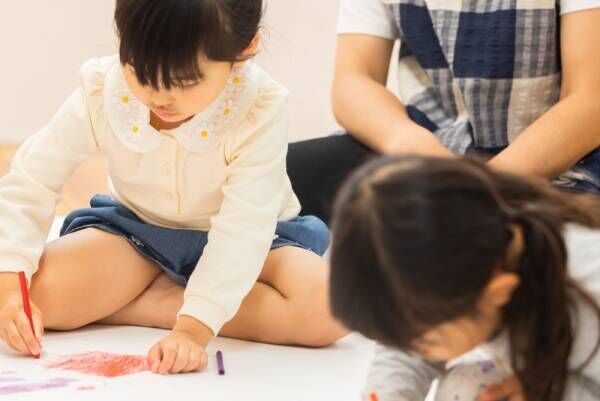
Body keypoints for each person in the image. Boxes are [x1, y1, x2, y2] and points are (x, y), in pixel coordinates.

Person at [0, 0, 346, 375]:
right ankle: (167, 295)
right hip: (138, 234)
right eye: (140, 72)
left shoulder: (259, 107)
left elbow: (245, 229)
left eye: (183, 81)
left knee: (332, 306)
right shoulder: (102, 88)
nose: (158, 97)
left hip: (260, 243)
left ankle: (161, 302)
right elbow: (32, 179)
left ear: (243, 51)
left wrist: (194, 328)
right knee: (33, 294)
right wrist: (8, 282)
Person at [288, 0, 600, 224]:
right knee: (267, 185)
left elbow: (589, 103)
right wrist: (415, 147)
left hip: (560, 162)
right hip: (428, 146)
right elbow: (353, 81)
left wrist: (475, 188)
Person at [329, 155, 600, 401]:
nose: (414, 350)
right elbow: (406, 350)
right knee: (467, 387)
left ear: (496, 292)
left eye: (425, 341)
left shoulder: (587, 289)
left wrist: (548, 388)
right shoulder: (474, 264)